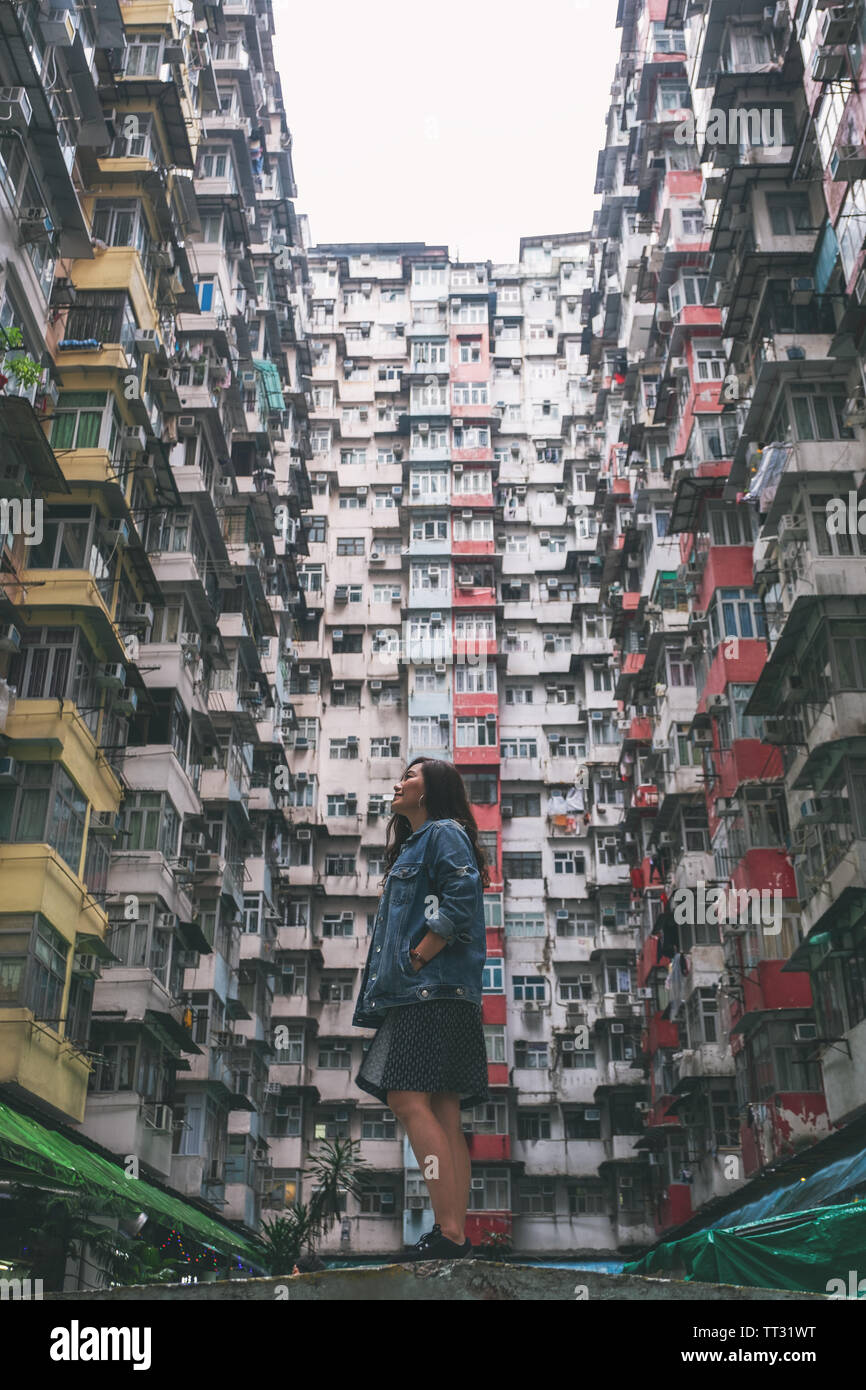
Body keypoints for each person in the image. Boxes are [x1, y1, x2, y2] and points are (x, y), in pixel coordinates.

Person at [352, 757, 490, 1261]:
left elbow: (462, 894)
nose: (398, 782)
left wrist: (418, 956)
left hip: (429, 991)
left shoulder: (441, 834)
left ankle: (449, 1232)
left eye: (410, 775)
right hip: (442, 993)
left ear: (431, 789)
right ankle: (453, 1233)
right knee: (443, 1112)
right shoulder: (422, 842)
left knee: (408, 1101)